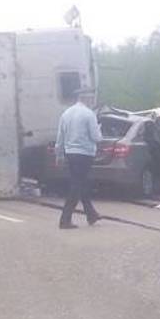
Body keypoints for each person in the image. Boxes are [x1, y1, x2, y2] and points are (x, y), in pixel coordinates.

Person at [55, 88, 102, 229]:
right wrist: (99, 131)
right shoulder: (89, 114)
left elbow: (60, 136)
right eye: (91, 98)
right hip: (85, 154)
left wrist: (59, 155)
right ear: (86, 98)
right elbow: (95, 137)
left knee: (81, 184)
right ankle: (65, 219)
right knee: (77, 186)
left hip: (70, 153)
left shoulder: (66, 113)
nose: (93, 101)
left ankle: (91, 214)